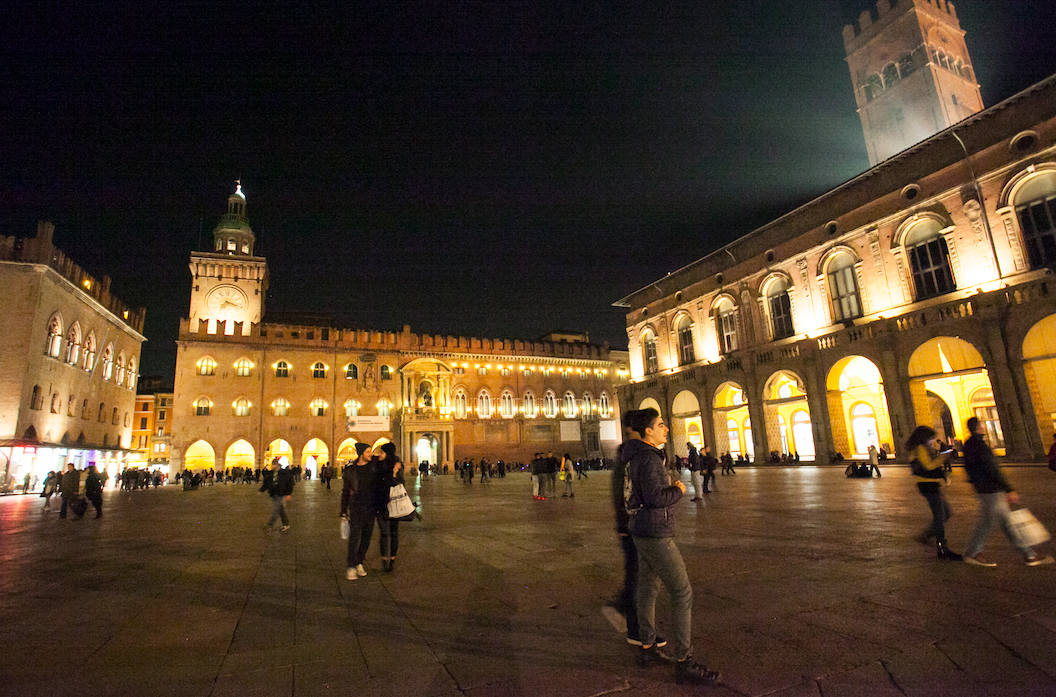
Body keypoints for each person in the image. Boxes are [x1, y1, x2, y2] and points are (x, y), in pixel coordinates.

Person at [625, 408, 719, 685]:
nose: (666, 428)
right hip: (655, 532)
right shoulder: (649, 458)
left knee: (648, 588)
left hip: (641, 530)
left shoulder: (635, 456)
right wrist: (678, 489)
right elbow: (655, 497)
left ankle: (648, 647)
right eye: (661, 424)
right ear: (648, 431)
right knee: (682, 591)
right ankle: (685, 661)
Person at [962, 417, 1054, 567]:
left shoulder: (969, 444)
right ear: (978, 428)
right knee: (989, 523)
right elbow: (992, 469)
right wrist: (1008, 488)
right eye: (981, 425)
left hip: (984, 489)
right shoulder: (979, 445)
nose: (983, 427)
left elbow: (970, 468)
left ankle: (1028, 554)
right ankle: (973, 553)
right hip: (992, 489)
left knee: (1007, 523)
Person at [907, 426, 961, 561]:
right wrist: (943, 457)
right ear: (924, 437)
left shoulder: (923, 448)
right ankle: (942, 548)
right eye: (931, 438)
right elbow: (929, 466)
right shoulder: (920, 448)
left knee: (945, 512)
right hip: (927, 485)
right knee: (940, 515)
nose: (932, 441)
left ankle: (926, 536)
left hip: (931, 484)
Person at [341, 443, 386, 579]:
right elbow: (345, 492)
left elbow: (386, 463)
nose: (370, 454)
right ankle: (351, 566)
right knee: (354, 538)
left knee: (366, 539)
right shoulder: (350, 471)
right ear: (361, 454)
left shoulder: (374, 467)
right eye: (367, 452)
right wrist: (343, 511)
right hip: (356, 508)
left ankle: (359, 561)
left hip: (371, 508)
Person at [376, 443, 405, 572]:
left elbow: (399, 483)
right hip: (387, 504)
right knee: (387, 533)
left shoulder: (395, 467)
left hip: (391, 503)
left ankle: (391, 559)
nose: (380, 455)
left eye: (382, 452)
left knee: (391, 533)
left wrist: (393, 474)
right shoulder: (380, 465)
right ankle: (386, 559)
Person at [261, 458, 295, 531]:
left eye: (274, 465)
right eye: (272, 465)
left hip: (281, 493)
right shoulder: (271, 473)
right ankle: (286, 524)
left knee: (276, 509)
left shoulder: (284, 473)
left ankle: (270, 525)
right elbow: (267, 482)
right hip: (274, 493)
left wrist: (288, 493)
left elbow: (290, 483)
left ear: (277, 465)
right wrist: (262, 489)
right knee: (280, 509)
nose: (273, 466)